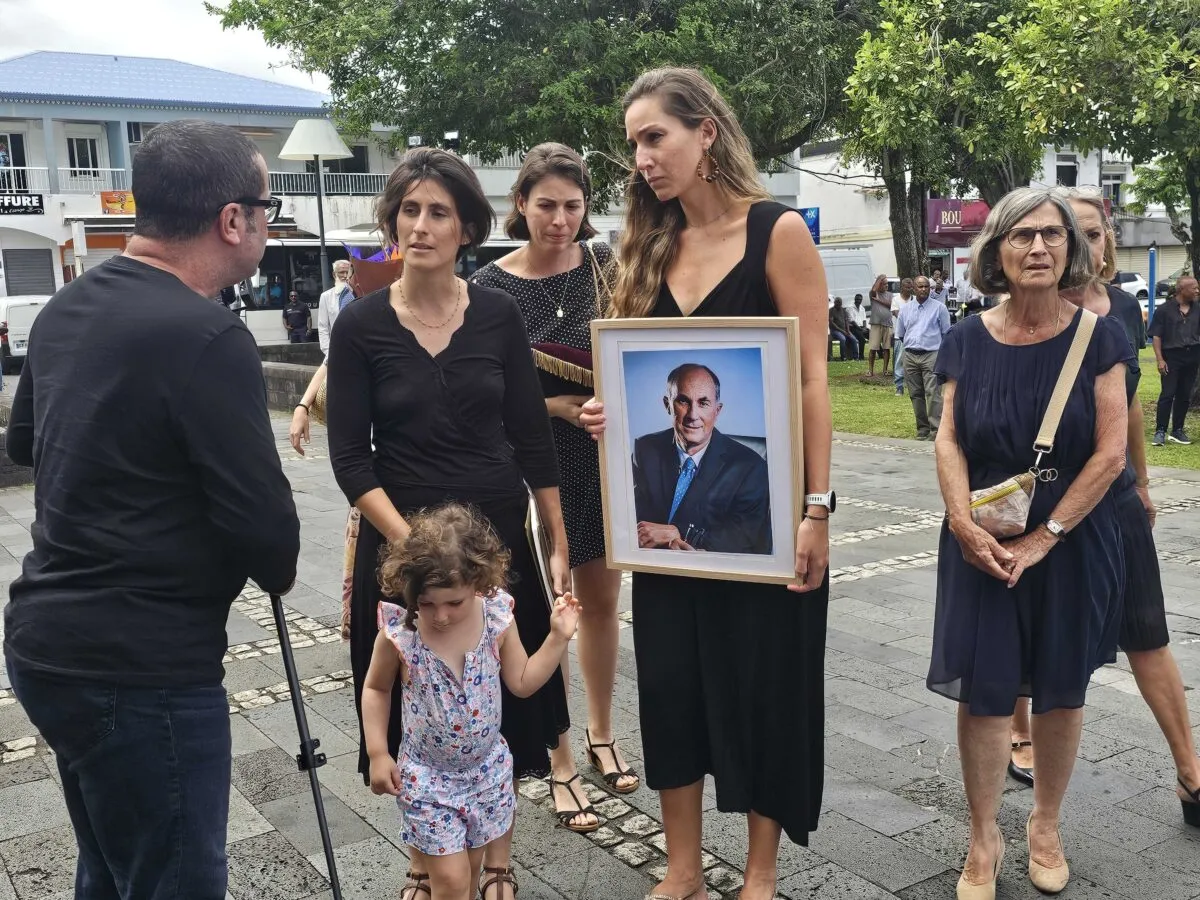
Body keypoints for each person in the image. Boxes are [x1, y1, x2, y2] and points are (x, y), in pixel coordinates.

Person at [3, 119, 300, 899]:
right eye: (266, 207)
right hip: (141, 666)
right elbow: (270, 537)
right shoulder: (209, 335)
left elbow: (27, 444)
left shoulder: (66, 306)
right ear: (232, 219)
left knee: (112, 864)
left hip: (44, 643)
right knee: (173, 879)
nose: (266, 223)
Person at [579, 67, 832, 900]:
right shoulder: (646, 247)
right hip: (661, 544)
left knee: (767, 688)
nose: (642, 159)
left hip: (769, 528)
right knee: (671, 690)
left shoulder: (777, 232)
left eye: (655, 137)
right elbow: (628, 373)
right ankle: (682, 869)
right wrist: (607, 411)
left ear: (707, 132)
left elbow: (811, 381)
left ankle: (760, 874)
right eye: (634, 145)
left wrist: (817, 509)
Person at [327, 147, 572, 900]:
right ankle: (422, 854)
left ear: (466, 227)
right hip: (400, 541)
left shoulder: (497, 314)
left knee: (500, 691)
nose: (421, 225)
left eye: (439, 212)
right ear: (392, 221)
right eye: (409, 210)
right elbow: (350, 458)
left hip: (495, 537)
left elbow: (530, 434)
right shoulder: (360, 326)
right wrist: (417, 552)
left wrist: (557, 534)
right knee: (410, 691)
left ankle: (497, 861)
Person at [930, 187, 1132, 899]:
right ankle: (983, 835)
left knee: (1061, 689)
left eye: (1052, 234)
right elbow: (948, 439)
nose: (1038, 247)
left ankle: (1045, 824)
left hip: (1071, 539)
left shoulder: (1102, 339)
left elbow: (1111, 452)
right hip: (982, 540)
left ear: (1072, 248)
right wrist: (961, 523)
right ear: (997, 251)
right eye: (1021, 235)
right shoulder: (965, 339)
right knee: (984, 693)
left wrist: (1047, 536)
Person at [1006, 188, 1200, 824]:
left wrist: (1142, 482)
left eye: (1092, 233)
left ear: (1105, 240)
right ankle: (1020, 730)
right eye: (1071, 233)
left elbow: (1131, 405)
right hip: (1049, 495)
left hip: (1114, 491)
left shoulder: (1121, 308)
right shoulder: (1027, 309)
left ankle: (1190, 771)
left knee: (1147, 628)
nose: (1080, 246)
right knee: (1029, 626)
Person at [470, 142, 638, 832]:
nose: (560, 220)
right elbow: (479, 393)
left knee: (602, 603)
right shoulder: (490, 287)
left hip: (602, 458)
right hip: (532, 468)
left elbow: (637, 352)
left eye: (573, 205)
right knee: (552, 610)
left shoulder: (608, 266)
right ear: (521, 203)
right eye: (546, 205)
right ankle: (561, 756)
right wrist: (556, 408)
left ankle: (602, 731)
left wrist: (610, 404)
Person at [363, 504, 582, 900]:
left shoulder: (496, 620)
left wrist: (557, 638)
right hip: (427, 779)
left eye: (454, 603)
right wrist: (378, 752)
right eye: (426, 603)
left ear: (479, 583)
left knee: (469, 874)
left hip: (486, 773)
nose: (440, 616)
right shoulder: (401, 634)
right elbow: (376, 689)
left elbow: (522, 681)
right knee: (450, 881)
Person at [631, 363, 771, 554]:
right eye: (683, 401)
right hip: (651, 565)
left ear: (717, 410)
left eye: (703, 403)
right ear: (667, 405)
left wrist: (678, 534)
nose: (693, 415)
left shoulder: (751, 467)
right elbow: (631, 518)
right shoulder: (645, 449)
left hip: (713, 570)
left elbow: (745, 537)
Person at [895, 275, 952, 439]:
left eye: (927, 286)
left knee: (933, 393)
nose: (924, 289)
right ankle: (922, 429)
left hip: (931, 355)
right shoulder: (905, 309)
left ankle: (935, 431)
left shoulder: (939, 308)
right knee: (915, 394)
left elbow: (946, 334)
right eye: (920, 286)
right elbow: (901, 334)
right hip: (910, 356)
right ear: (914, 289)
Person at [1149, 275, 1199, 446]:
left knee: (1185, 395)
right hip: (1171, 357)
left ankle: (1177, 430)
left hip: (1192, 356)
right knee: (1168, 394)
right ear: (1181, 290)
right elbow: (1157, 336)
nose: (1197, 291)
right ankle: (1160, 431)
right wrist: (1160, 359)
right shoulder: (1164, 310)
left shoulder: (1198, 309)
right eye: (1194, 288)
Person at [317, 259, 356, 355]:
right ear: (334, 275)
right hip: (336, 349)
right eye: (341, 272)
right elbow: (323, 327)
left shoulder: (358, 293)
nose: (345, 276)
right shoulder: (326, 296)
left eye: (348, 272)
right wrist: (328, 352)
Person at [867, 273, 893, 376]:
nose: (886, 286)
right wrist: (880, 278)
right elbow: (873, 290)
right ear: (879, 284)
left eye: (887, 283)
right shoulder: (874, 293)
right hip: (876, 323)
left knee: (886, 348)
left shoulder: (890, 294)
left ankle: (885, 370)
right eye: (884, 284)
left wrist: (879, 300)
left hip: (887, 323)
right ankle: (870, 370)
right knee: (873, 348)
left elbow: (891, 305)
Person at [892, 278, 914, 395]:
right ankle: (899, 386)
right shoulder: (896, 299)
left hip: (913, 336)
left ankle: (913, 386)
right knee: (899, 361)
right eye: (907, 287)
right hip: (900, 336)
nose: (909, 289)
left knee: (913, 361)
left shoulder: (915, 300)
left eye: (911, 287)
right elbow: (898, 315)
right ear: (902, 287)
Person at [828, 296, 859, 360]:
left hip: (844, 330)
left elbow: (846, 321)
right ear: (834, 303)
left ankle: (856, 357)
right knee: (843, 339)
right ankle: (843, 356)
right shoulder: (831, 310)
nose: (839, 305)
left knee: (854, 339)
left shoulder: (843, 310)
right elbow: (832, 324)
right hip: (835, 330)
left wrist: (848, 330)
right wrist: (843, 331)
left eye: (840, 303)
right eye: (837, 303)